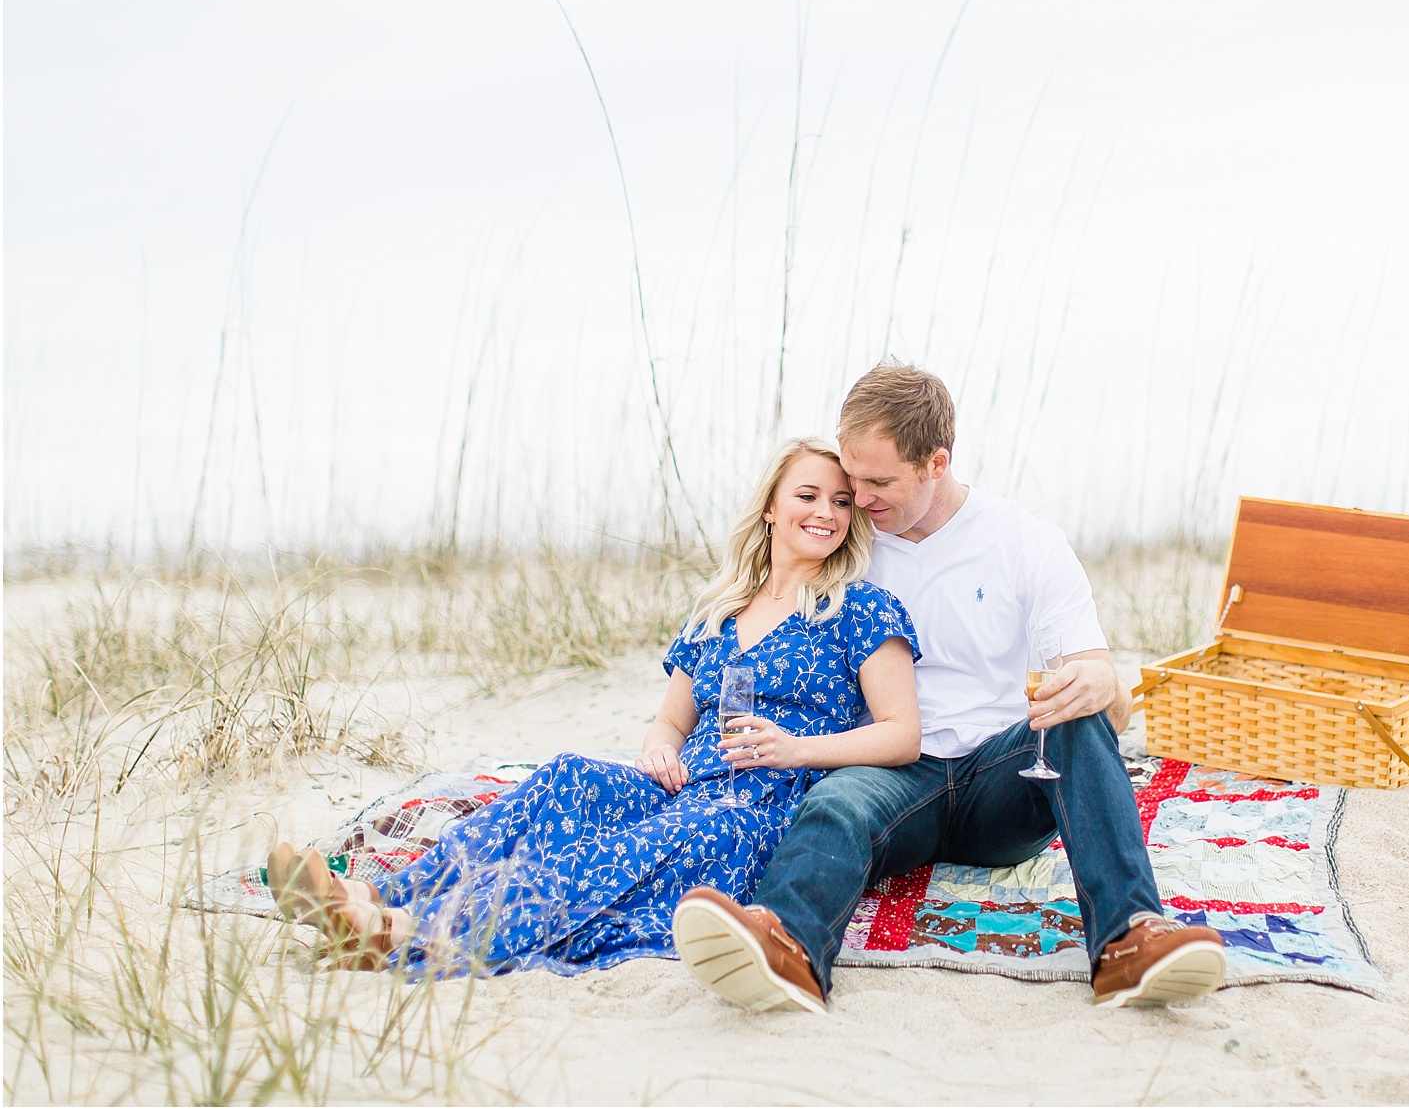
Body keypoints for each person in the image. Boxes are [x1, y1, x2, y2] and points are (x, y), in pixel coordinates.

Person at [671, 363, 1225, 1012]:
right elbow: (759, 617)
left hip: (1001, 780)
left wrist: (1102, 683)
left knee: (1076, 720)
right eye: (852, 479)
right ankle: (787, 945)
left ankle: (1129, 941)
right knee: (839, 800)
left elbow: (1112, 705)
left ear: (936, 463)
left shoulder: (1026, 543)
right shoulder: (847, 547)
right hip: (893, 772)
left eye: (879, 483)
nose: (859, 498)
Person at [264, 437, 921, 977]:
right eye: (808, 495)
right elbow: (671, 719)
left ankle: (412, 935)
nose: (826, 512)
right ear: (772, 509)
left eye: (841, 502)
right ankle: (377, 895)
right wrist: (658, 749)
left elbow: (902, 736)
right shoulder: (719, 613)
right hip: (685, 780)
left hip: (762, 800)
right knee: (568, 777)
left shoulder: (862, 609)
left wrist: (796, 748)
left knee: (634, 848)